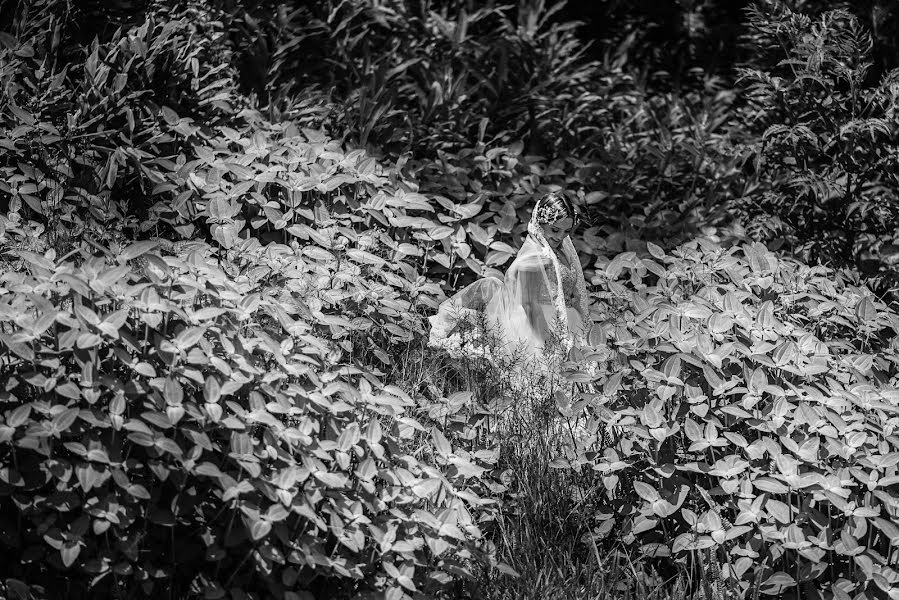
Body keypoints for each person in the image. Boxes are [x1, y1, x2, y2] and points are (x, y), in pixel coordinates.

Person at [427, 192, 590, 377]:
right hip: (539, 325)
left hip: (567, 320)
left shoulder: (561, 250)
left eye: (566, 231)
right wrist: (552, 342)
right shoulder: (534, 256)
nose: (560, 237)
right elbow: (530, 305)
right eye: (555, 230)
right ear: (541, 223)